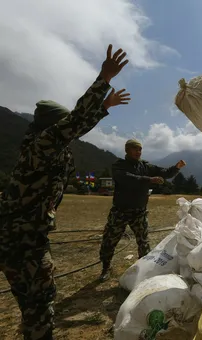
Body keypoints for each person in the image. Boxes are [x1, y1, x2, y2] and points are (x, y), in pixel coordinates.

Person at [0, 44, 131, 340]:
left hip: (18, 237)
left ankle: (32, 326)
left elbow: (74, 125)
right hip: (24, 241)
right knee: (41, 302)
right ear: (51, 126)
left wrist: (103, 107)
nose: (68, 131)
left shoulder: (44, 147)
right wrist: (103, 79)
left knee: (31, 301)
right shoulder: (43, 144)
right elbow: (73, 124)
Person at [98, 139, 186, 281]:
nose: (138, 152)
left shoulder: (145, 166)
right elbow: (127, 178)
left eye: (140, 149)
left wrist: (176, 167)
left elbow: (164, 173)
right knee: (109, 240)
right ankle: (106, 268)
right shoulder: (119, 165)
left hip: (139, 211)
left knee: (143, 242)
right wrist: (149, 179)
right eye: (135, 149)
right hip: (120, 211)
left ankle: (143, 269)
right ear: (127, 150)